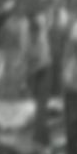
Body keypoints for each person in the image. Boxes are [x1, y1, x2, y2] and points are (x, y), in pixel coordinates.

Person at [26, 15, 53, 144]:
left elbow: (43, 62)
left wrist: (31, 70)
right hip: (35, 77)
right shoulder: (29, 42)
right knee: (38, 107)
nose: (33, 36)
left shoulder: (43, 43)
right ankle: (42, 135)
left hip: (44, 74)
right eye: (31, 33)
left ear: (38, 32)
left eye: (34, 33)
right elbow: (25, 58)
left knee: (41, 108)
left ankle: (40, 137)